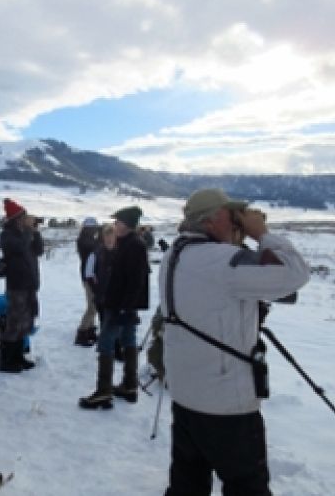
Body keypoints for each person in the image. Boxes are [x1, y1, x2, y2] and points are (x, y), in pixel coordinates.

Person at [159, 188, 310, 496]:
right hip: (226, 404)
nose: (237, 221)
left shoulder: (174, 254)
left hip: (186, 394)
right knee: (246, 486)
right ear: (214, 219)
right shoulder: (225, 262)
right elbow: (295, 275)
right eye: (233, 215)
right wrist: (261, 233)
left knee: (187, 483)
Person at [79, 206, 149, 409]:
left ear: (126, 225)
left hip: (120, 304)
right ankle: (129, 385)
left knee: (107, 342)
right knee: (128, 340)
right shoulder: (128, 242)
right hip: (122, 303)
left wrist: (125, 306)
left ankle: (104, 390)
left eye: (117, 223)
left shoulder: (134, 245)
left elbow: (136, 280)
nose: (114, 226)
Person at [0, 198, 43, 373]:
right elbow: (19, 247)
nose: (27, 221)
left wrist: (36, 231)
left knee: (25, 323)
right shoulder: (7, 235)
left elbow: (38, 250)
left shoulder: (25, 233)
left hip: (29, 284)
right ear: (17, 219)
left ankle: (18, 357)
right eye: (24, 218)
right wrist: (28, 232)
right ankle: (7, 361)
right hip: (16, 285)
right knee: (14, 324)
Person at [74, 217, 99, 346]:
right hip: (88, 276)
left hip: (91, 275)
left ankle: (90, 329)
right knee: (92, 307)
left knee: (93, 305)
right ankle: (82, 332)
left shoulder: (89, 239)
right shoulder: (84, 241)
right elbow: (94, 249)